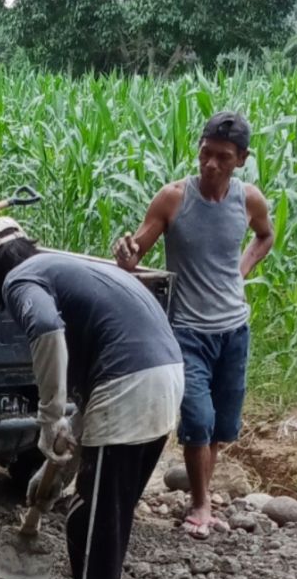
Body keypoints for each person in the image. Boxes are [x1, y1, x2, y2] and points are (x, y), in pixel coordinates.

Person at [0, 217, 184, 579]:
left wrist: (48, 419)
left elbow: (45, 331)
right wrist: (58, 454)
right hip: (160, 377)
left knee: (95, 527)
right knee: (96, 516)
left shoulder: (23, 279)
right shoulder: (66, 268)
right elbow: (103, 357)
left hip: (128, 386)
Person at [113, 111, 274, 539]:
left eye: (223, 157)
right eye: (206, 154)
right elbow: (137, 251)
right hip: (185, 330)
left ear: (241, 158)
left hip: (234, 328)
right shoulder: (174, 199)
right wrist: (126, 255)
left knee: (220, 423)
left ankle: (200, 498)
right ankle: (201, 504)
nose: (211, 165)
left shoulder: (249, 200)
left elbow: (266, 236)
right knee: (198, 419)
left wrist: (242, 270)